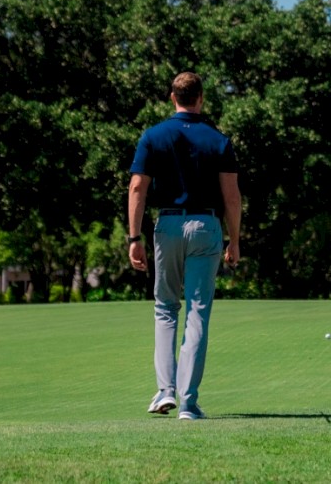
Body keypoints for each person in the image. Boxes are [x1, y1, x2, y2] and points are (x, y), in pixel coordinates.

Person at [128, 71, 241, 421]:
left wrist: (134, 238)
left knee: (165, 308)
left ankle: (165, 391)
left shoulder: (153, 136)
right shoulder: (219, 140)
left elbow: (137, 188)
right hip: (206, 226)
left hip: (168, 224)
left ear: (172, 97)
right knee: (197, 312)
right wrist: (234, 239)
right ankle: (188, 403)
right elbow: (232, 197)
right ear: (201, 98)